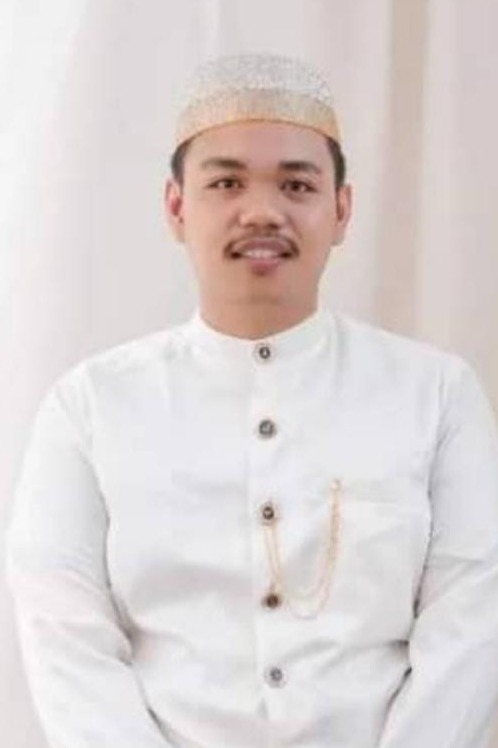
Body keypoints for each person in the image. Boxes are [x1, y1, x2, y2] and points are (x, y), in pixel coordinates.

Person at [5, 52, 498, 748]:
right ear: (177, 207)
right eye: (226, 182)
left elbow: (474, 621)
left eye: (297, 185)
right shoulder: (89, 407)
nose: (262, 211)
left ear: (341, 209)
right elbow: (65, 639)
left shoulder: (437, 395)